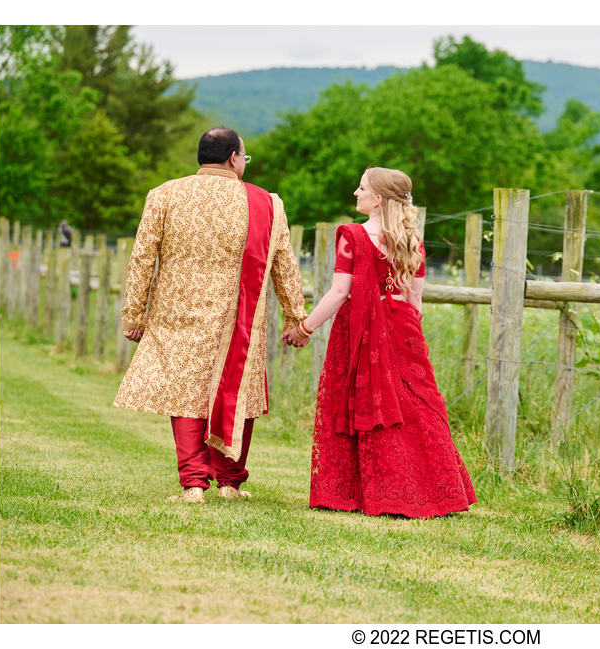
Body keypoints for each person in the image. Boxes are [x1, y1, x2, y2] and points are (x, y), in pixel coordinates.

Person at [114, 126, 307, 504]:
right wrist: (295, 316)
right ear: (234, 157)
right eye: (244, 158)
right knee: (238, 388)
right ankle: (231, 483)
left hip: (177, 312)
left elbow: (142, 258)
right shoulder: (265, 203)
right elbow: (285, 264)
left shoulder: (165, 194)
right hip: (240, 315)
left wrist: (133, 314)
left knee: (186, 393)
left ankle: (193, 486)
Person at [285, 167, 476, 518]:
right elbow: (414, 301)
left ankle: (357, 492)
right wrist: (409, 338)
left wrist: (305, 328)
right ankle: (430, 489)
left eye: (361, 188)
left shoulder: (353, 236)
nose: (355, 193)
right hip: (403, 327)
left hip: (358, 330)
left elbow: (340, 293)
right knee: (415, 404)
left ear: (379, 199)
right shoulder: (410, 240)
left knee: (362, 401)